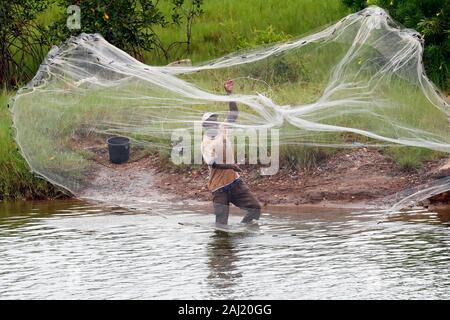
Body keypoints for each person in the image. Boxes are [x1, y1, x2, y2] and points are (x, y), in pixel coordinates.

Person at [201, 79, 262, 226]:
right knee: (221, 223)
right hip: (219, 188)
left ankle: (243, 230)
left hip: (234, 182)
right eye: (211, 121)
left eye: (216, 120)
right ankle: (222, 245)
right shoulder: (205, 143)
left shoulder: (223, 129)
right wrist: (231, 166)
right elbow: (213, 164)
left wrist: (230, 94)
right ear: (205, 126)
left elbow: (234, 113)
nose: (215, 122)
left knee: (255, 209)